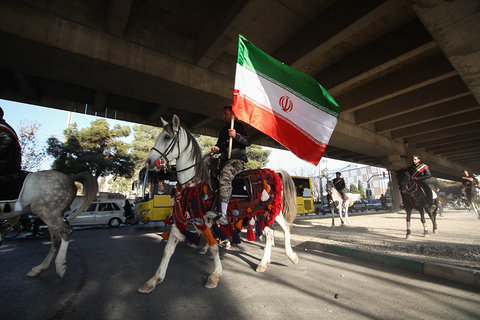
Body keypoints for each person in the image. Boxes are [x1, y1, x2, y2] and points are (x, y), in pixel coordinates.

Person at [210, 106, 251, 225]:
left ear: (233, 115)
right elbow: (219, 146)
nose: (223, 116)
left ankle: (223, 214)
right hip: (223, 160)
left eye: (226, 114)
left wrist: (236, 135)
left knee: (225, 176)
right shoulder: (223, 130)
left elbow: (248, 142)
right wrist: (216, 148)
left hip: (237, 161)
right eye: (223, 114)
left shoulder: (240, 126)